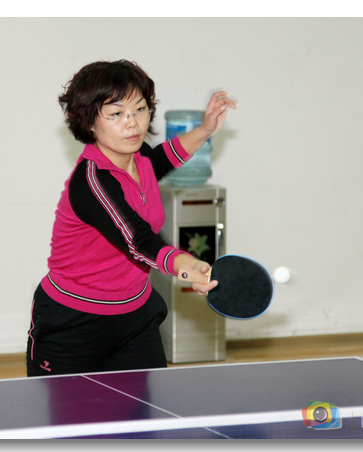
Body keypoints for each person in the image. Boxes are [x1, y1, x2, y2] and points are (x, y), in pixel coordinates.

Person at [27, 60, 237, 377]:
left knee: (145, 409)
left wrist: (205, 129)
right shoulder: (92, 181)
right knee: (70, 411)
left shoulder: (140, 159)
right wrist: (185, 264)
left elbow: (162, 157)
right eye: (116, 114)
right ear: (88, 121)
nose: (132, 123)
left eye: (139, 109)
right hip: (74, 322)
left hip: (135, 317)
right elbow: (136, 240)